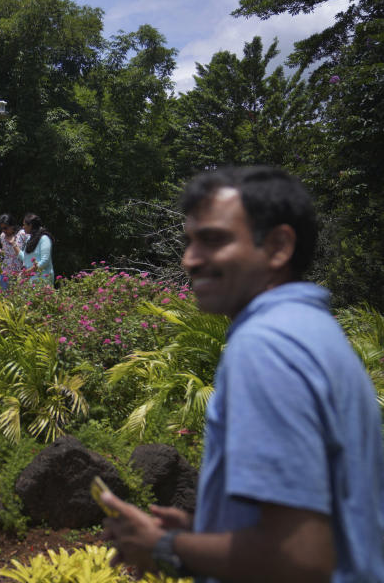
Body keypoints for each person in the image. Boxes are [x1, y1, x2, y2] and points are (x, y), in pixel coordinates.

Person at [102, 166, 384, 582]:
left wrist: (164, 547)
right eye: (189, 242)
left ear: (277, 246)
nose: (190, 259)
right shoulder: (312, 331)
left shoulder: (265, 346)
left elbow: (301, 558)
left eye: (213, 240)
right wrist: (203, 536)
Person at [10, 213, 54, 284]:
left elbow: (45, 261)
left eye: (24, 225)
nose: (23, 227)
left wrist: (27, 272)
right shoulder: (30, 239)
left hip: (43, 279)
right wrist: (14, 244)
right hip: (31, 281)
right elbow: (25, 258)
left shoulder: (44, 238)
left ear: (30, 225)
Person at [0, 213, 27, 289]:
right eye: (2, 228)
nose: (4, 230)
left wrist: (13, 243)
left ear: (12, 225)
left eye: (5, 228)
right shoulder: (2, 236)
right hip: (5, 271)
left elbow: (26, 254)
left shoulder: (22, 234)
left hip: (19, 271)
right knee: (4, 297)